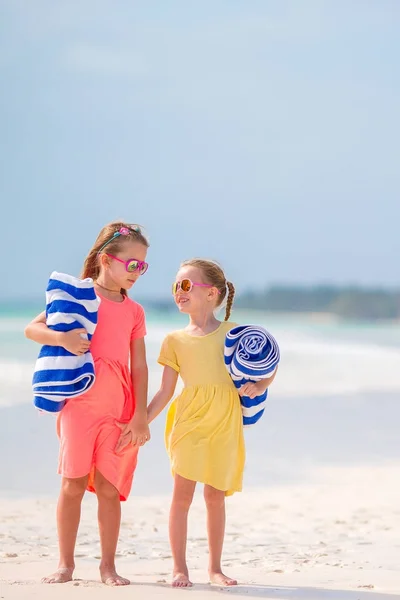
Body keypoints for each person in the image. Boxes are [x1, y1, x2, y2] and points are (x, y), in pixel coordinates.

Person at [25, 221, 150, 586]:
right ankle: (65, 564)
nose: (137, 273)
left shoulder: (135, 311)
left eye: (143, 266)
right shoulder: (79, 295)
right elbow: (32, 329)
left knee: (109, 487)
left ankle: (108, 566)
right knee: (73, 483)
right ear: (105, 260)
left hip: (119, 407)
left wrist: (140, 415)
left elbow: (139, 366)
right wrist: (61, 339)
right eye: (132, 265)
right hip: (78, 404)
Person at [147, 258, 276, 587]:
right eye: (176, 286)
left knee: (215, 498)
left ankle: (215, 568)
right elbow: (164, 391)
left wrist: (259, 386)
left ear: (212, 293)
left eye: (187, 285)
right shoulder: (174, 340)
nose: (179, 291)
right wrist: (141, 422)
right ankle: (179, 568)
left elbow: (269, 365)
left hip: (225, 422)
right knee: (181, 497)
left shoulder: (235, 335)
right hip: (189, 421)